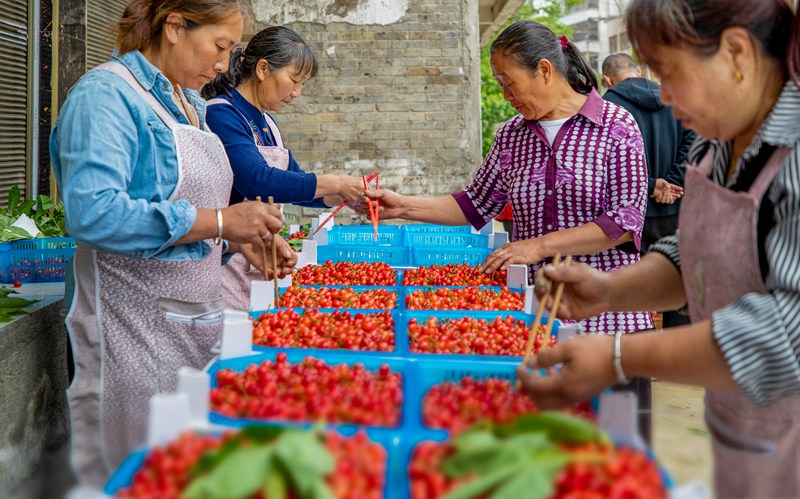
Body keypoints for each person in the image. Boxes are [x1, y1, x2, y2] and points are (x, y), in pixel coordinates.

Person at [518, 0, 800, 496]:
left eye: (670, 73)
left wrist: (621, 355)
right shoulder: (711, 146)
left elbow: (782, 334)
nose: (665, 97)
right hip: (742, 439)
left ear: (736, 52)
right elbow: (693, 252)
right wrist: (609, 290)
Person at [50, 0, 297, 489]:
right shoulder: (105, 97)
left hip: (190, 325)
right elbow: (94, 213)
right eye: (221, 47)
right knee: (132, 473)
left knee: (180, 473)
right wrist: (223, 220)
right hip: (129, 330)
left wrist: (238, 241)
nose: (226, 65)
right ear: (175, 27)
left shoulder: (191, 106)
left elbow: (192, 214)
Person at [367, 20, 653, 335]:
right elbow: (474, 204)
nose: (504, 95)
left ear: (544, 71)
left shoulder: (615, 125)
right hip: (532, 315)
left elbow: (624, 224)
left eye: (508, 82)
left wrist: (540, 246)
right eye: (499, 83)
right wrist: (401, 206)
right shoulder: (512, 134)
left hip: (605, 318)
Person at [201, 26, 366, 310]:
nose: (298, 92)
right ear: (263, 69)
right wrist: (336, 182)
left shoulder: (268, 125)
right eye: (294, 79)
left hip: (259, 258)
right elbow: (257, 181)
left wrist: (344, 198)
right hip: (225, 261)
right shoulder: (222, 114)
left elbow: (296, 184)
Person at [602, 52, 696, 329]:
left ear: (607, 79)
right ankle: (677, 355)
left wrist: (651, 184)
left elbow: (607, 160)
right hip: (675, 207)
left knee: (635, 283)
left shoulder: (608, 105)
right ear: (639, 72)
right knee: (677, 275)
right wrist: (673, 182)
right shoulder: (673, 97)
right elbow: (692, 143)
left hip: (630, 213)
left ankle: (639, 354)